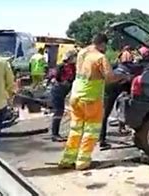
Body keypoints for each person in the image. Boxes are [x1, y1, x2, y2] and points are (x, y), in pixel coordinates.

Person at [58, 33, 127, 170]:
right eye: (105, 45)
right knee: (91, 131)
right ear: (102, 44)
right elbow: (109, 78)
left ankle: (67, 159)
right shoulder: (100, 58)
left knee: (75, 130)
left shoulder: (82, 53)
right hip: (91, 98)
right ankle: (83, 162)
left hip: (76, 95)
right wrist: (124, 76)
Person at [49, 50, 77, 142]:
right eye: (74, 57)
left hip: (63, 91)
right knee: (58, 112)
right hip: (58, 91)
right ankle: (54, 134)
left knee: (59, 111)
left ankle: (56, 134)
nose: (76, 59)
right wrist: (58, 82)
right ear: (70, 58)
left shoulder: (73, 67)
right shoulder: (61, 66)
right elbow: (53, 76)